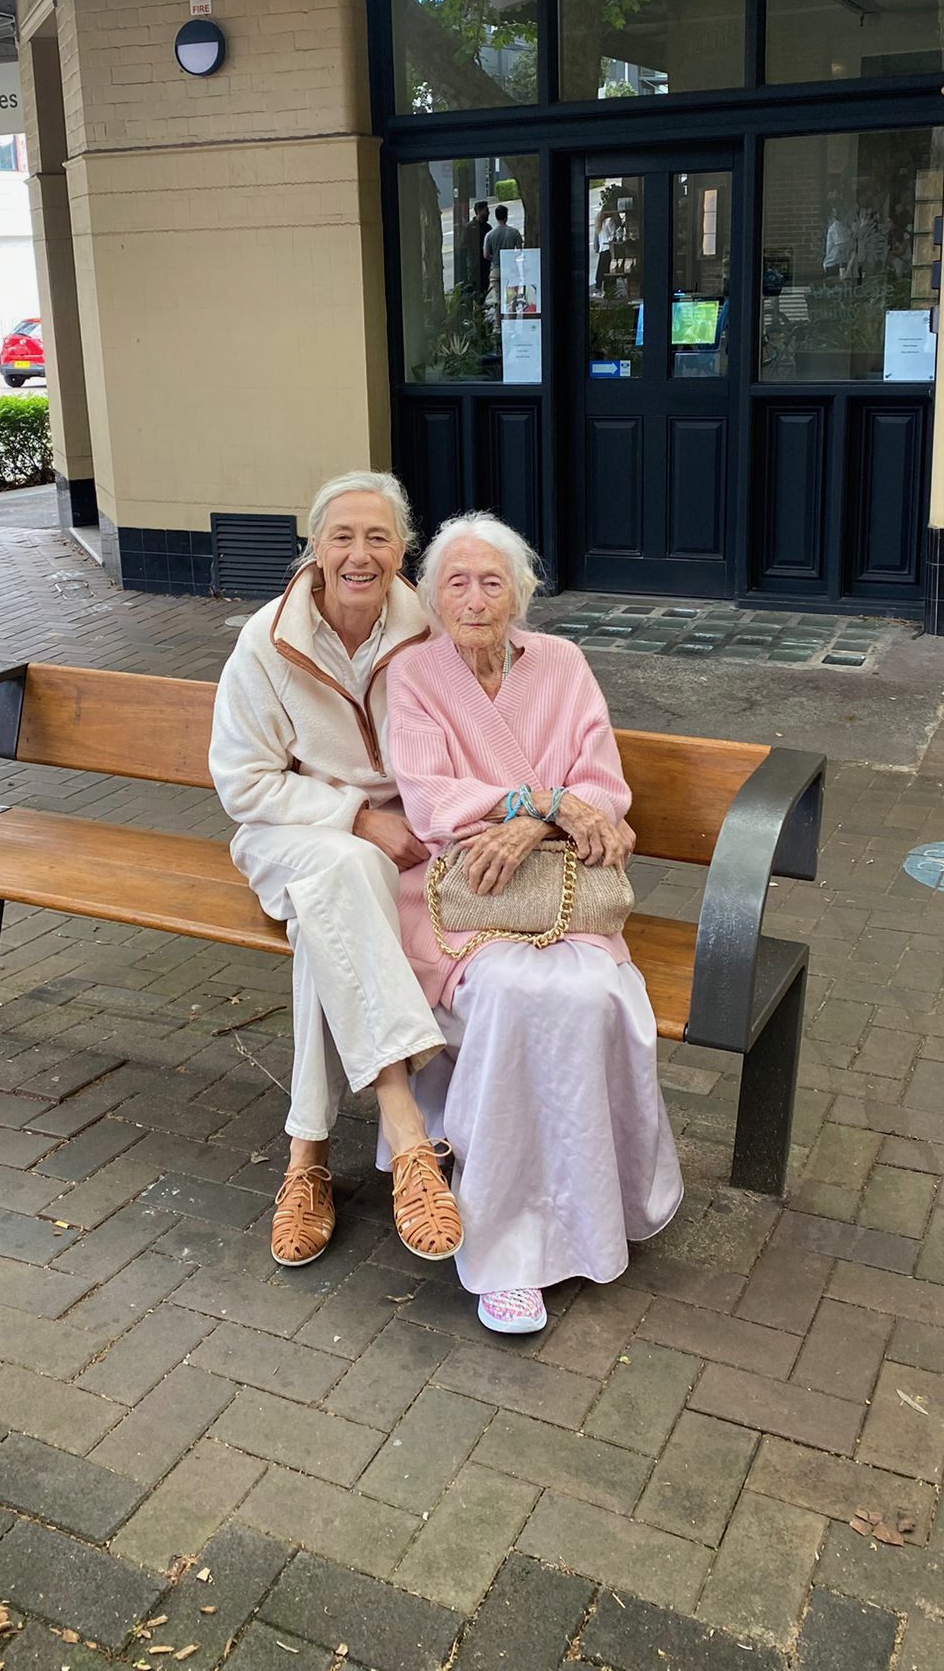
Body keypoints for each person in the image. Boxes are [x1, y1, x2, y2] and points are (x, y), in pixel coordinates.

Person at [387, 512, 682, 1335]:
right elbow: (428, 796)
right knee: (514, 991)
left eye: (493, 582)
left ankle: (592, 1208)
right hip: (465, 893)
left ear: (521, 594)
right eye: (457, 581)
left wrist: (541, 825)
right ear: (433, 596)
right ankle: (506, 1247)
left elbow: (602, 785)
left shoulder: (564, 663)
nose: (476, 598)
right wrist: (539, 803)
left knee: (591, 994)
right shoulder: (413, 675)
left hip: (558, 890)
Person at [209, 470, 463, 1270]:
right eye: (342, 536)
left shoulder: (426, 628)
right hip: (286, 832)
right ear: (314, 547)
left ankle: (306, 1158)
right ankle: (407, 1130)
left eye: (379, 537)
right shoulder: (268, 637)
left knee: (334, 913)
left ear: (403, 549)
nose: (360, 554)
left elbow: (458, 742)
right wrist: (355, 816)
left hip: (392, 849)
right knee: (343, 868)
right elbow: (242, 782)